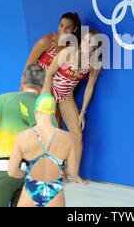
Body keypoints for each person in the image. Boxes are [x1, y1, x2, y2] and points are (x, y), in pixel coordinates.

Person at [0, 64, 58, 207]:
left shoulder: (4, 99)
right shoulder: (49, 115)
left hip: (4, 169)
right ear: (42, 84)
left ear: (22, 79)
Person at [41, 29, 102, 185]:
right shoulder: (69, 52)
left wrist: (83, 112)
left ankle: (73, 173)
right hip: (51, 90)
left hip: (66, 95)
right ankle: (55, 173)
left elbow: (90, 87)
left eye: (92, 43)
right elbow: (49, 74)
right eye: (86, 41)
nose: (88, 45)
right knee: (54, 133)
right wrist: (47, 99)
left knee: (77, 134)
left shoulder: (95, 62)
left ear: (96, 47)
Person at [8, 94, 76, 207]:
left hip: (30, 191)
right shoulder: (67, 138)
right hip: (55, 193)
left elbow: (12, 172)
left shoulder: (23, 137)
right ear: (54, 113)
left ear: (36, 111)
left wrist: (25, 173)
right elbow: (72, 172)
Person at [21, 12, 82, 129]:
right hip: (37, 86)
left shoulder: (72, 47)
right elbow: (28, 66)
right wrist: (23, 93)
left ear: (74, 29)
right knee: (32, 124)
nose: (63, 30)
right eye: (61, 25)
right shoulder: (47, 41)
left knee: (57, 125)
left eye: (67, 27)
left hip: (52, 89)